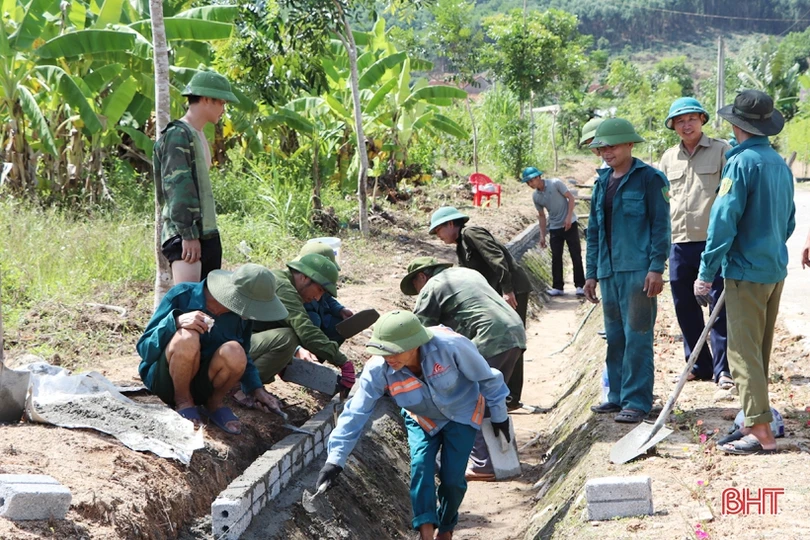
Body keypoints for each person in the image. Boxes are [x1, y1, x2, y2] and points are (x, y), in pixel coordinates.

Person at [316, 311, 510, 540]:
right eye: (383, 351)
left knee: (452, 480)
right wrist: (335, 459)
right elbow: (355, 412)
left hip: (462, 413)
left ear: (415, 344)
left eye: (394, 351)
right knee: (420, 467)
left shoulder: (450, 346)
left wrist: (499, 416)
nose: (389, 357)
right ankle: (426, 533)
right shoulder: (378, 369)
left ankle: (445, 529)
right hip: (422, 418)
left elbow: (489, 378)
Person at [696, 90, 795, 455]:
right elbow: (789, 222)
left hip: (745, 273)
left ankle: (761, 433)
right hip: (773, 270)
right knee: (758, 351)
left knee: (741, 353)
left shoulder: (740, 164)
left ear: (737, 124)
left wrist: (706, 272)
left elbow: (723, 222)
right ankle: (752, 418)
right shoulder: (779, 164)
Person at [401, 256, 526, 481]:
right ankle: (503, 459)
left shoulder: (432, 285)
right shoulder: (467, 273)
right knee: (492, 396)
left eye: (416, 286)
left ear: (422, 276)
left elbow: (418, 332)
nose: (418, 291)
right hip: (514, 331)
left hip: (489, 336)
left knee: (469, 398)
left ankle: (483, 464)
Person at [583, 118, 671, 424]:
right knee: (615, 336)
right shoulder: (601, 183)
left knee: (638, 336)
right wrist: (591, 273)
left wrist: (656, 267)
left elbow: (661, 226)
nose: (607, 153)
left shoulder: (650, 179)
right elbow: (594, 231)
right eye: (602, 148)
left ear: (630, 144)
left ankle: (637, 401)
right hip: (608, 271)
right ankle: (617, 395)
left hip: (638, 271)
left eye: (613, 147)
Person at [136, 263, 288, 435]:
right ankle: (183, 401)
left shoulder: (240, 317)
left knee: (235, 351)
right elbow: (145, 349)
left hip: (204, 386)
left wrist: (256, 389)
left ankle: (213, 404)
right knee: (187, 337)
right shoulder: (182, 295)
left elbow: (244, 355)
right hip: (165, 382)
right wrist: (175, 322)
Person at [659, 97, 733, 389]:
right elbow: (663, 200)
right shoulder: (668, 158)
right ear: (673, 126)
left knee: (718, 307)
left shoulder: (721, 150)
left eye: (691, 118)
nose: (686, 125)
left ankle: (723, 369)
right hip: (679, 243)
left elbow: (731, 196)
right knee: (684, 305)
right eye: (679, 121)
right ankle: (698, 364)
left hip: (713, 243)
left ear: (702, 120)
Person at [428, 206, 531, 410]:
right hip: (498, 293)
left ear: (451, 224)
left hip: (512, 290)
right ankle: (505, 394)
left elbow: (497, 257)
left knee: (511, 339)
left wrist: (507, 289)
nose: (438, 235)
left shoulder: (471, 233)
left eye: (438, 230)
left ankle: (510, 397)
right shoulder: (461, 245)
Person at [154, 71, 239, 284]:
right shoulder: (178, 135)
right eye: (221, 102)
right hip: (186, 236)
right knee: (189, 301)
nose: (223, 109)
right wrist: (188, 234)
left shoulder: (197, 133)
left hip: (206, 233)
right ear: (206, 99)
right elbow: (178, 187)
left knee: (208, 301)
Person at [247, 253, 355, 396]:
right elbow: (305, 329)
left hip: (244, 339)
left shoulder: (286, 282)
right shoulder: (283, 288)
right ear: (304, 277)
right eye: (319, 290)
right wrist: (343, 362)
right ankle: (244, 386)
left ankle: (252, 383)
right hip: (232, 345)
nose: (317, 298)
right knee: (289, 338)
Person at [520, 167, 586, 297]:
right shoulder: (536, 196)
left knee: (575, 254)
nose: (530, 184)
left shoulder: (555, 183)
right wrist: (542, 235)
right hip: (555, 227)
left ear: (538, 177)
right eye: (528, 182)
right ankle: (558, 287)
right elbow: (542, 216)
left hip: (570, 224)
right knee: (556, 257)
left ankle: (580, 285)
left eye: (531, 181)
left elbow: (571, 198)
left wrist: (569, 217)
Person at [297, 242, 354, 345]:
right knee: (313, 319)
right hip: (302, 330)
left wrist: (340, 310)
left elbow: (326, 297)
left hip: (322, 319)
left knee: (341, 326)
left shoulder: (315, 285)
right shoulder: (293, 286)